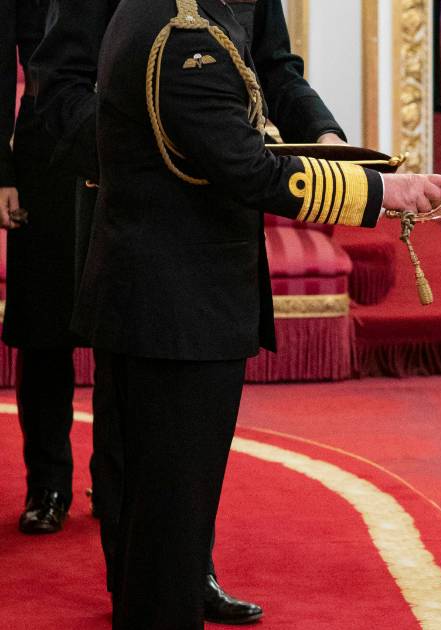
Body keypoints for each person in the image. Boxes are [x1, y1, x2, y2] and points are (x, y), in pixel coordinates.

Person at [71, 0, 441, 627]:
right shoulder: (187, 38)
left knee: (157, 524)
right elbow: (248, 168)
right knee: (170, 529)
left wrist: (332, 150)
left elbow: (271, 79)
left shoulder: (158, 11)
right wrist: (382, 190)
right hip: (180, 311)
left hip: (160, 301)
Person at [31, 0, 351, 623]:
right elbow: (58, 89)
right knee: (138, 435)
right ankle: (142, 583)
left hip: (215, 212)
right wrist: (158, 150)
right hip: (136, 213)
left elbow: (273, 68)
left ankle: (183, 569)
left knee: (188, 443)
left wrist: (325, 137)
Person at [2, 0, 80, 538]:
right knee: (43, 332)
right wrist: (0, 171)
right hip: (42, 156)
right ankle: (47, 485)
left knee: (127, 329)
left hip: (122, 143)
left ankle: (118, 479)